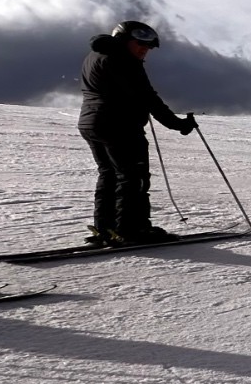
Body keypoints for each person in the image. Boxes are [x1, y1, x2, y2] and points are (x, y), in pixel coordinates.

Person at [78, 21, 198, 246]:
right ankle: (132, 230)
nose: (145, 50)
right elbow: (147, 97)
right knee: (134, 178)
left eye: (148, 46)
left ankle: (105, 229)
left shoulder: (94, 56)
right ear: (124, 40)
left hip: (92, 123)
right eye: (140, 44)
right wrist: (178, 124)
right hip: (119, 126)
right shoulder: (123, 61)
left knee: (110, 175)